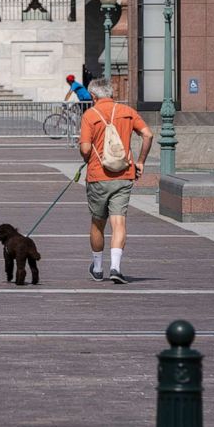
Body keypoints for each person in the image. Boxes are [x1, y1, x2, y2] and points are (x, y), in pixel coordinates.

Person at [78, 78, 153, 284]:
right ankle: (116, 267)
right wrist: (140, 162)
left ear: (93, 96)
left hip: (97, 175)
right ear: (111, 93)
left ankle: (98, 267)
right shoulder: (127, 112)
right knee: (119, 222)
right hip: (124, 174)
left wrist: (87, 158)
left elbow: (85, 149)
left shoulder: (90, 115)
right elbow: (148, 134)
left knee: (97, 222)